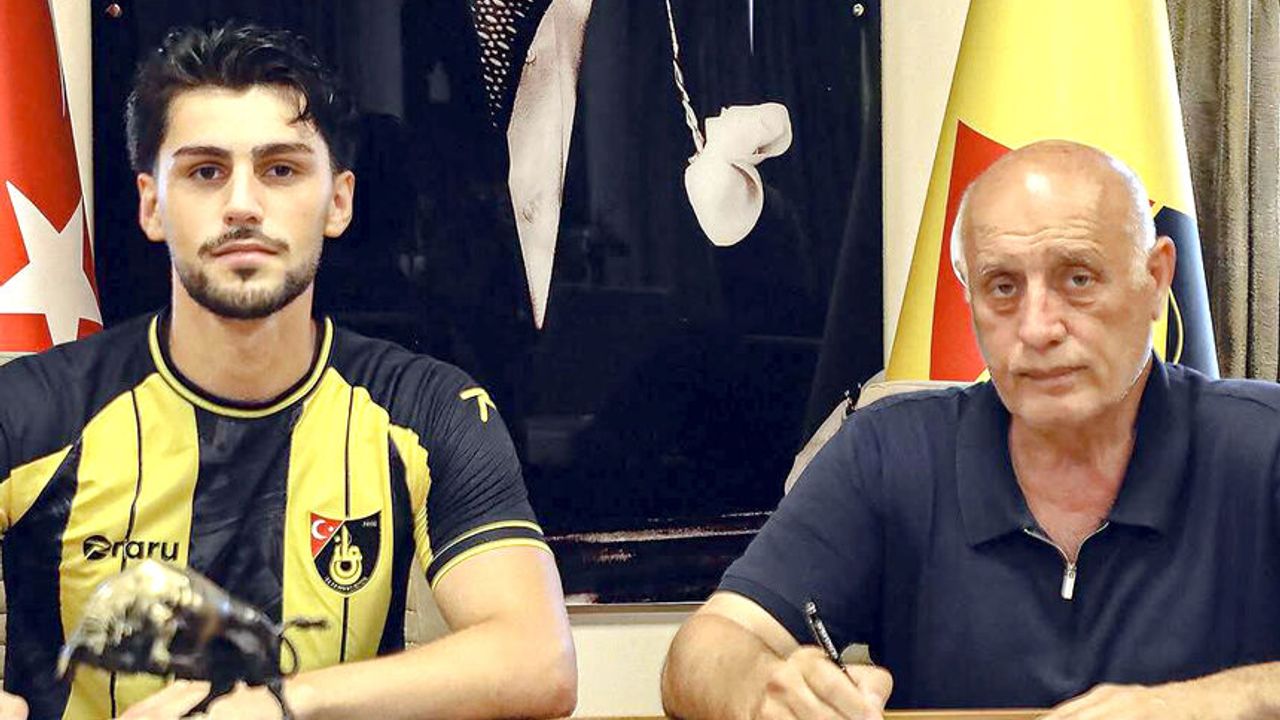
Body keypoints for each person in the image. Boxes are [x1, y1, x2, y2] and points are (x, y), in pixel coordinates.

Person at [0, 22, 576, 720]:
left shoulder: (426, 409)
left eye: (281, 170)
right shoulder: (28, 410)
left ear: (339, 201)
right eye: (206, 171)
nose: (242, 204)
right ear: (151, 205)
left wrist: (282, 704)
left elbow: (538, 660)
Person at [660, 140, 1280, 719]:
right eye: (1002, 287)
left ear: (1157, 277)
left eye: (1078, 279)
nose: (1037, 328)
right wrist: (765, 687)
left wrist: (1203, 704)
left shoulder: (1263, 444)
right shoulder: (889, 453)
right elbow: (706, 648)